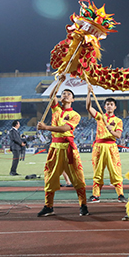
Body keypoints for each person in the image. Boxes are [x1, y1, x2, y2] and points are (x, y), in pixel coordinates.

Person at [36, 89, 89, 217]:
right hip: (54, 147)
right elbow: (51, 95)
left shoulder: (75, 115)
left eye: (68, 94)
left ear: (73, 100)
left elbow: (65, 128)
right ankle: (49, 206)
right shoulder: (56, 109)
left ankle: (83, 205)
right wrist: (58, 81)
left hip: (68, 148)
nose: (65, 95)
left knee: (78, 177)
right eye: (63, 94)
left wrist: (46, 128)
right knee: (50, 176)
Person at [86, 87, 125, 203]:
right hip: (98, 146)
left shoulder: (118, 121)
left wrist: (110, 130)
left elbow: (118, 135)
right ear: (104, 106)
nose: (109, 106)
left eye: (111, 104)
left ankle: (120, 194)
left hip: (111, 146)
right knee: (97, 171)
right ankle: (95, 195)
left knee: (115, 170)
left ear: (115, 107)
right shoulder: (100, 116)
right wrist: (89, 93)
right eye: (107, 104)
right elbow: (88, 107)